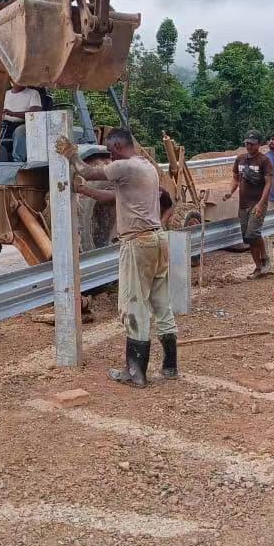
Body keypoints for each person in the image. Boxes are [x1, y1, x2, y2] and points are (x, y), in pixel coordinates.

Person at [57, 128, 177, 387]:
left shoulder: (125, 166)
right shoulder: (145, 167)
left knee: (133, 305)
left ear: (118, 147)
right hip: (157, 239)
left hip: (138, 242)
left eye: (111, 153)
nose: (111, 159)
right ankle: (170, 366)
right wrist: (86, 191)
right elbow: (114, 197)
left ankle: (136, 373)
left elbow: (88, 171)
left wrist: (72, 155)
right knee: (160, 301)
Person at [222, 130, 274, 278]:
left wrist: (261, 203)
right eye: (247, 143)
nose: (248, 146)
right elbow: (236, 179)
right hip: (243, 205)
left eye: (252, 143)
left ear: (259, 144)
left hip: (258, 204)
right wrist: (230, 192)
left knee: (252, 233)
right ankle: (258, 267)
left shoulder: (264, 161)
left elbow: (268, 183)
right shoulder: (240, 159)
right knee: (247, 237)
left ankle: (264, 256)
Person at [1, 84, 44, 162]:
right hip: (5, 124)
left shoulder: (33, 93)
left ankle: (17, 161)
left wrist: (12, 113)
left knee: (20, 131)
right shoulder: (4, 94)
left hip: (25, 124)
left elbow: (34, 113)